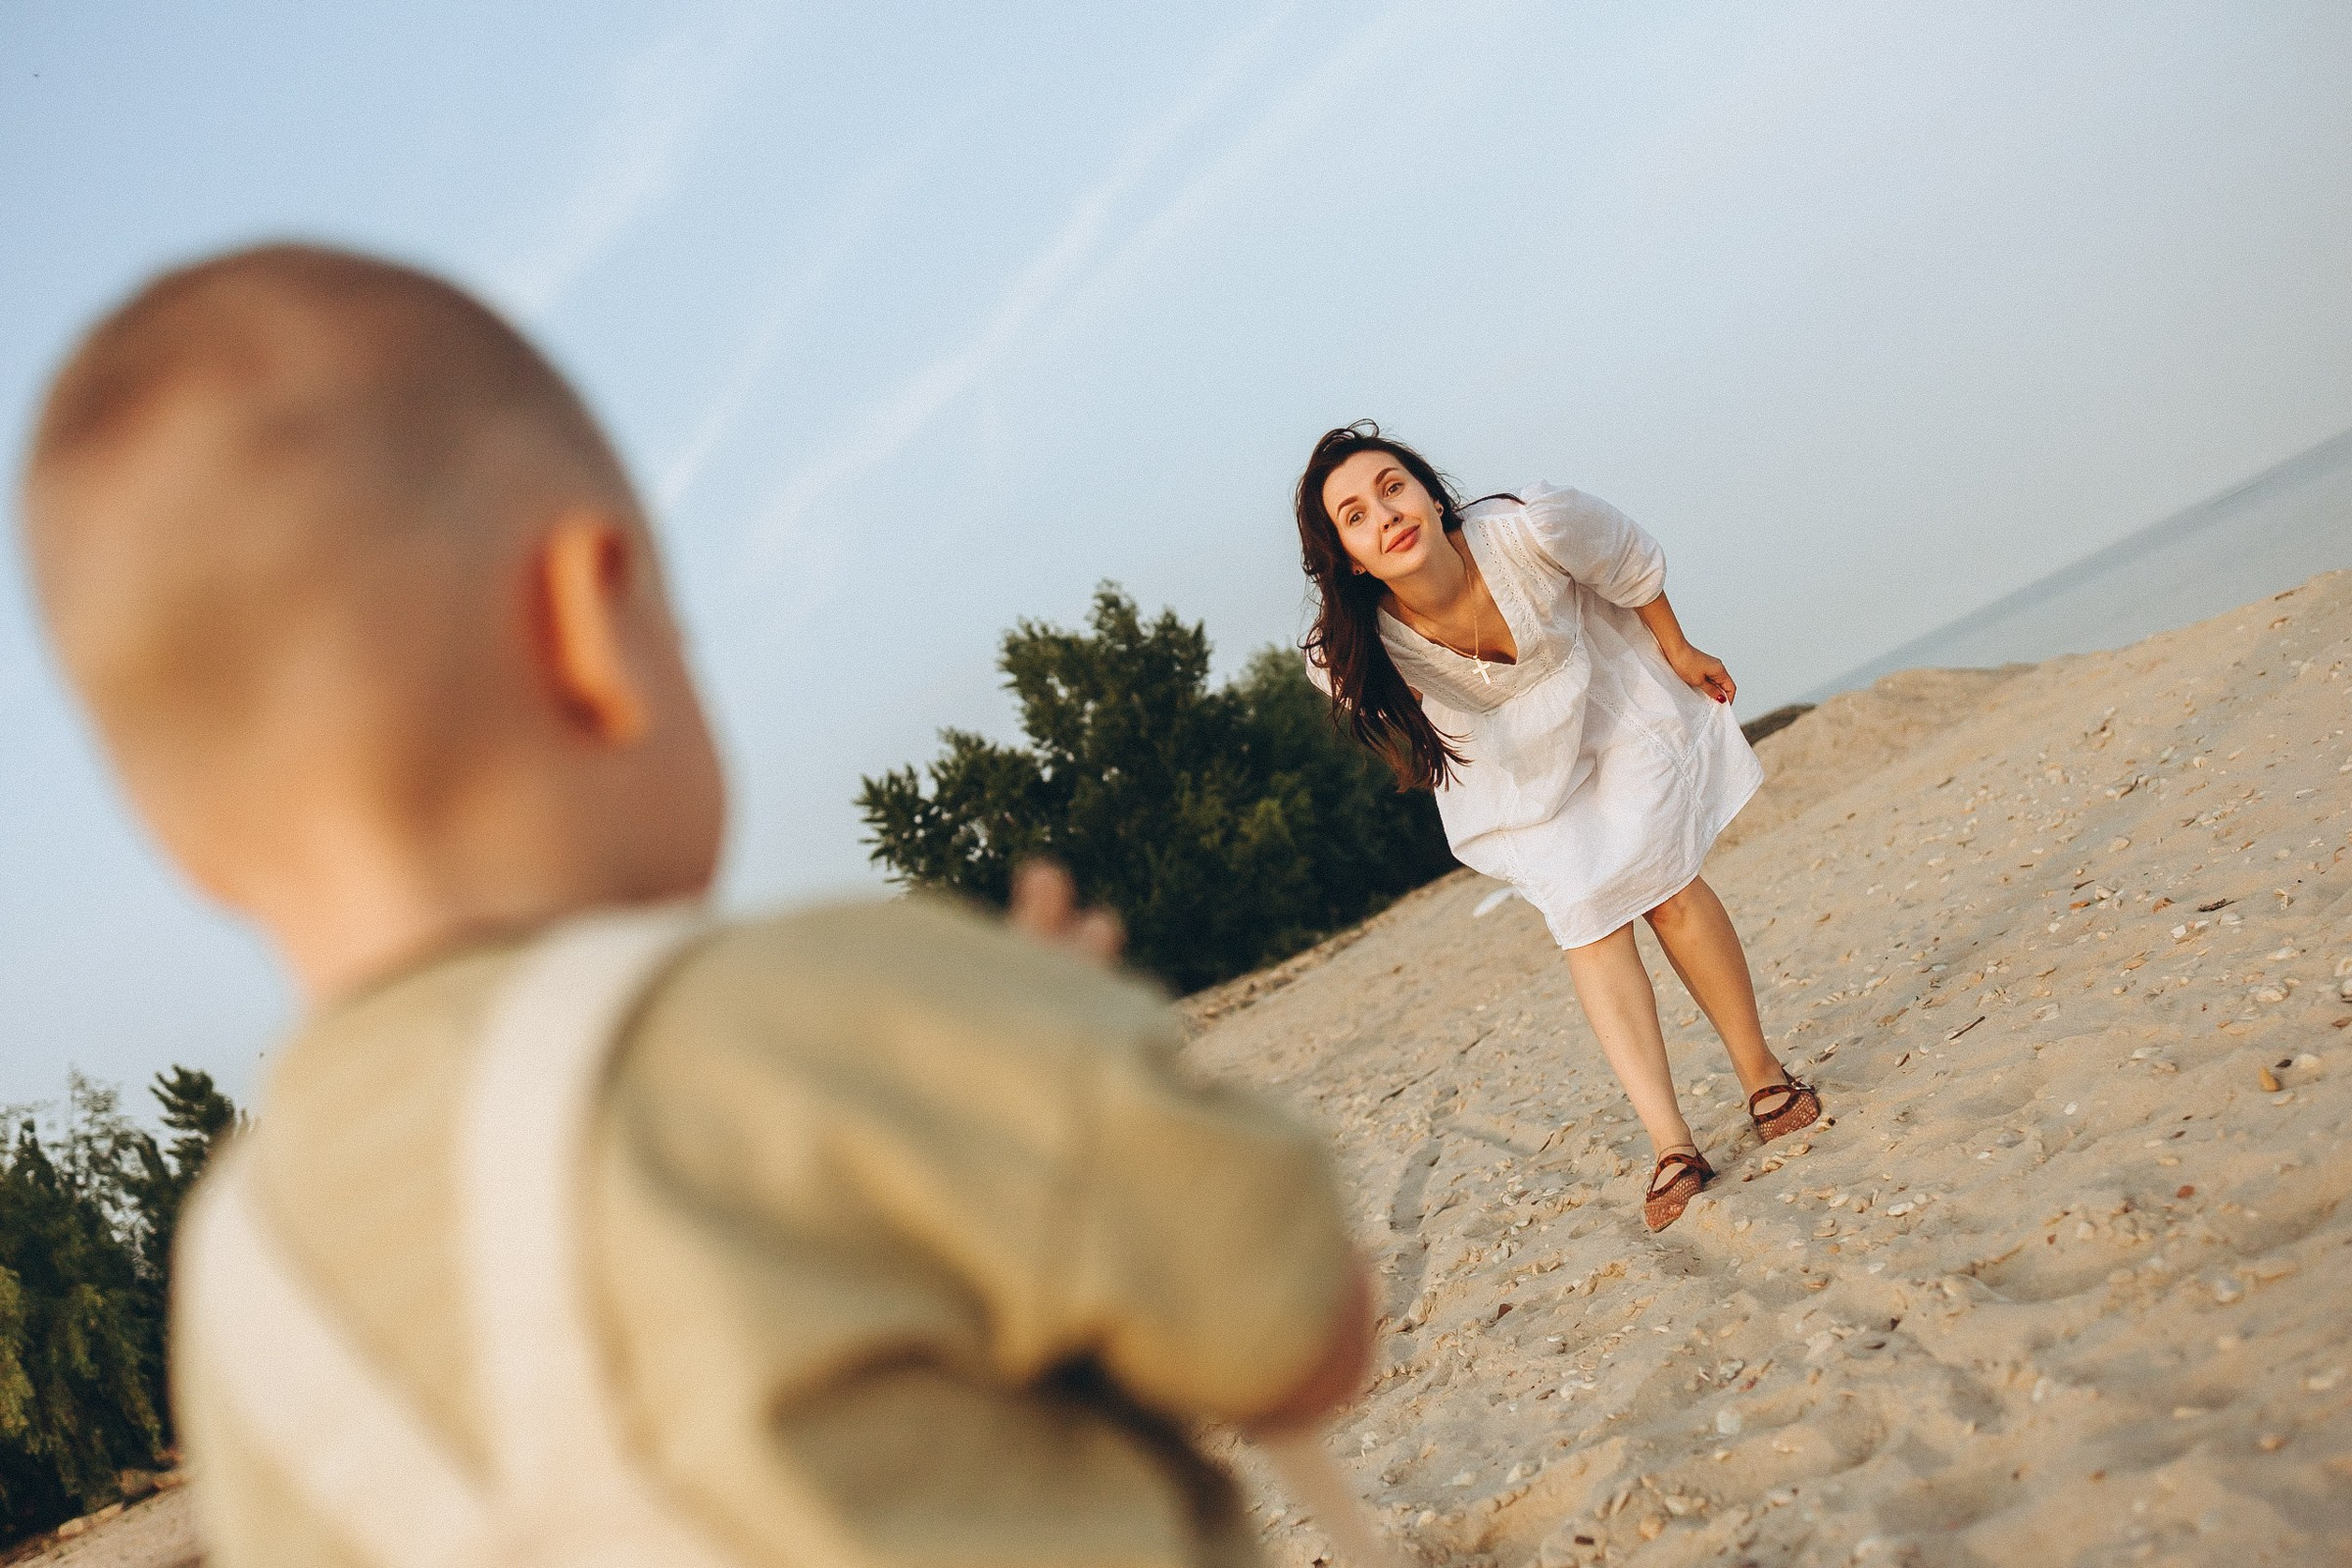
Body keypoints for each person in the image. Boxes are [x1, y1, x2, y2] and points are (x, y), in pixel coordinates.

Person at [19, 242, 1374, 1568]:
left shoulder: (241, 1277)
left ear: (182, 845)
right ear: (589, 626)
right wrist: (1058, 1033)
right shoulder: (841, 1005)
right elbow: (1301, 1330)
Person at [1293, 423, 1819, 1231]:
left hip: (1611, 700)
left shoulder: (1534, 525)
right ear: (1351, 557)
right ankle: (1671, 1144)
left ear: (1431, 496)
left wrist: (1678, 649)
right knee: (1587, 921)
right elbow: (1381, 704)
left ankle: (1762, 1075)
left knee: (1668, 888)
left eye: (1392, 487)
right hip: (1512, 766)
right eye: (1354, 515)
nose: (1385, 514)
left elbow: (1629, 560)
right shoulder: (1345, 649)